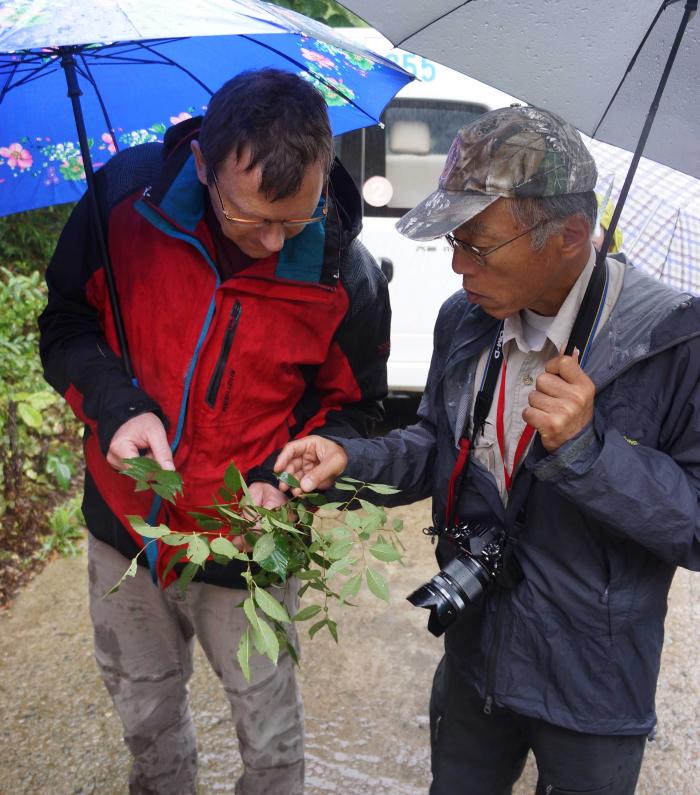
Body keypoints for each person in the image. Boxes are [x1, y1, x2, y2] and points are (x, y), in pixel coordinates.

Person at [274, 106, 700, 795]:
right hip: (477, 656)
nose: (455, 263)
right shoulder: (466, 318)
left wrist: (590, 452)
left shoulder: (674, 345)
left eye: (478, 244)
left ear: (567, 236)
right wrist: (353, 459)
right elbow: (438, 443)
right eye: (454, 239)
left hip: (593, 690)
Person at [38, 68, 390, 795]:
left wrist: (288, 479)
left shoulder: (341, 271)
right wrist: (116, 403)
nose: (270, 242)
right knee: (147, 715)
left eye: (294, 217)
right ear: (203, 162)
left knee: (269, 736)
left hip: (248, 546)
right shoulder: (122, 205)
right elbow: (65, 325)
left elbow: (356, 413)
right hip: (126, 532)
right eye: (249, 217)